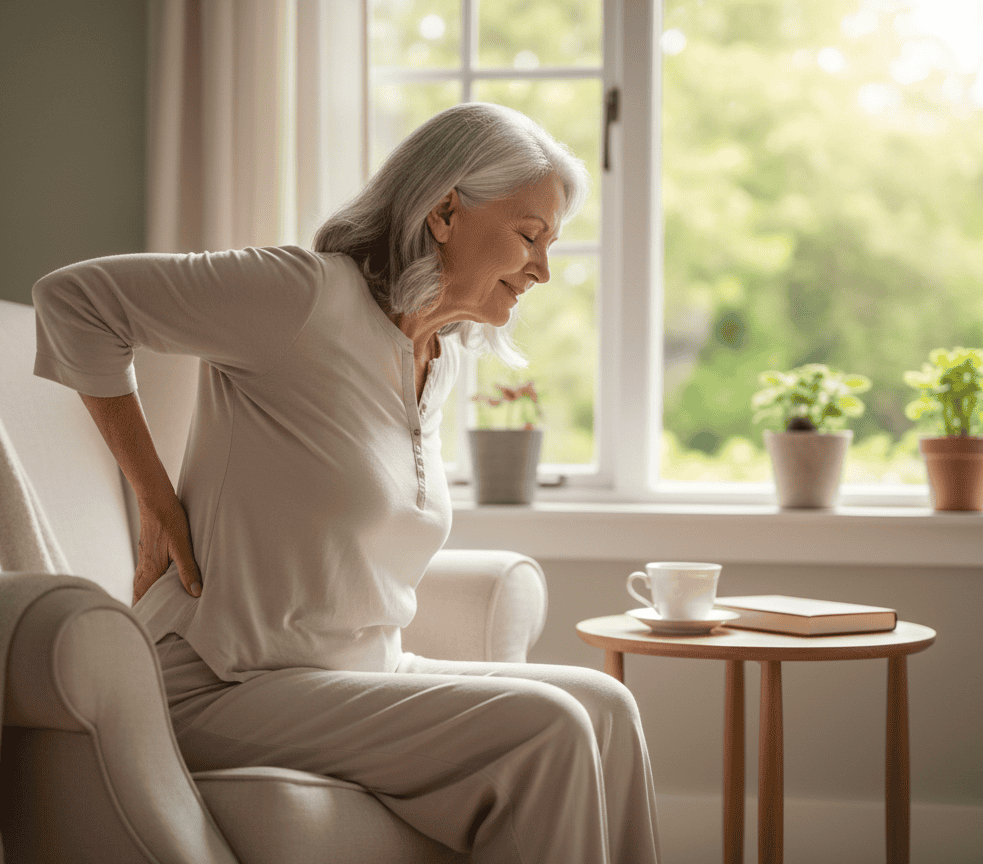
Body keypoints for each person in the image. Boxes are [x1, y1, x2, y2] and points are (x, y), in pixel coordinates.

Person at [33, 102, 659, 864]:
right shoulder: (303, 295)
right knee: (549, 728)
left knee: (606, 707)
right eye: (530, 236)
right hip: (216, 685)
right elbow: (76, 299)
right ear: (443, 211)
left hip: (359, 673)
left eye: (551, 244)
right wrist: (153, 496)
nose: (543, 270)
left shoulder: (439, 357)